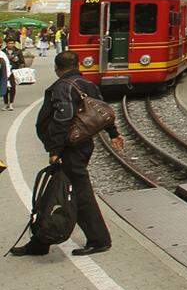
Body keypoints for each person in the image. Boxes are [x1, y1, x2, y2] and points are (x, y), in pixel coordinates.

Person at [11, 51, 125, 257]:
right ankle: (40, 241)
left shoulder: (62, 87)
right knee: (54, 188)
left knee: (80, 193)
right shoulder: (88, 84)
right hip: (82, 145)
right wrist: (113, 134)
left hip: (70, 148)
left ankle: (99, 239)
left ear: (56, 68)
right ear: (78, 64)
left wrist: (55, 150)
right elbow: (102, 111)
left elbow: (62, 119)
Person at [3, 38, 24, 110]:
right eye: (9, 43)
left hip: (14, 71)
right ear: (6, 44)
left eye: (12, 43)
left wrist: (17, 61)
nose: (11, 45)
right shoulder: (2, 52)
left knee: (12, 87)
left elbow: (22, 62)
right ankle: (6, 104)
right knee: (4, 87)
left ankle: (11, 103)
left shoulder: (18, 51)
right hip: (4, 72)